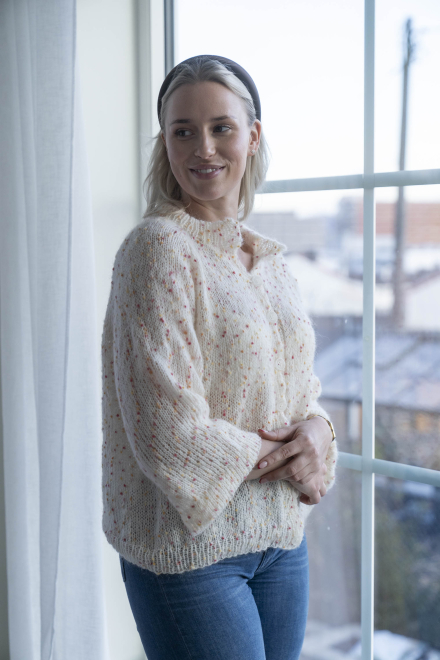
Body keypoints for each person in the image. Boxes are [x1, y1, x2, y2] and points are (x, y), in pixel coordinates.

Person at [101, 54, 338, 660]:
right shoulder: (157, 249)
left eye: (220, 127)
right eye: (183, 131)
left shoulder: (271, 262)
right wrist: (289, 453)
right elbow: (167, 435)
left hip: (281, 541)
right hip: (190, 554)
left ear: (252, 136)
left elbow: (297, 390)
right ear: (166, 143)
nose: (203, 148)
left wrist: (320, 429)